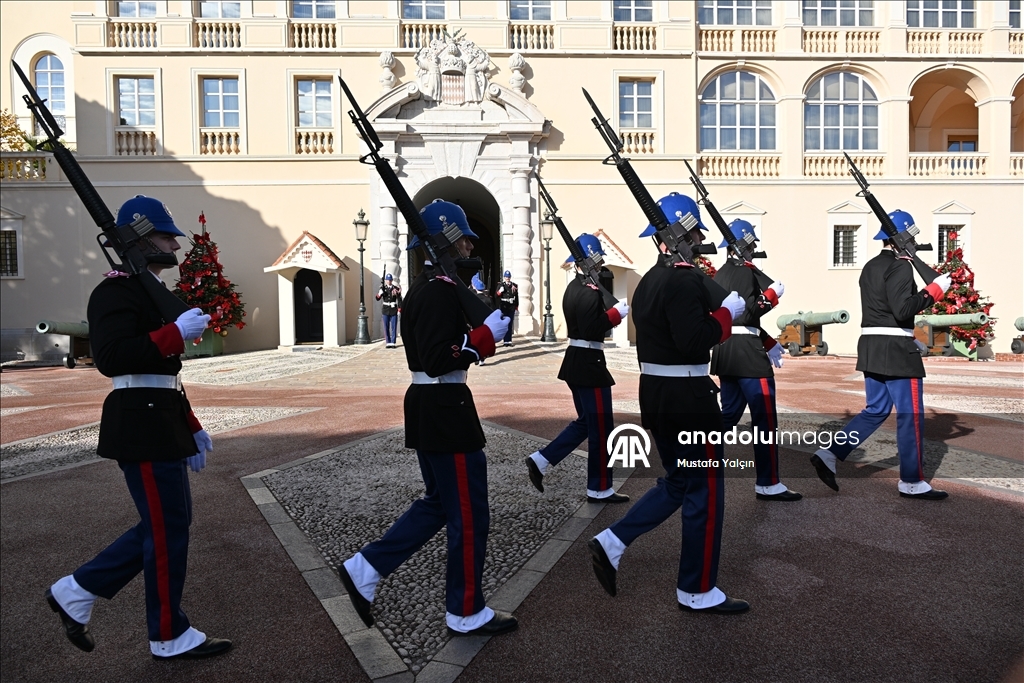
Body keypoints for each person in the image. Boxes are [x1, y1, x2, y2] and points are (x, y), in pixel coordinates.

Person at [45, 195, 232, 660]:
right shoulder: (115, 292)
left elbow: (165, 376)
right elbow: (111, 359)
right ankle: (167, 634)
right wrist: (174, 334)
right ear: (141, 239)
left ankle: (77, 590)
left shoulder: (146, 289)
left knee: (169, 524)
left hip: (160, 418)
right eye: (166, 237)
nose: (175, 245)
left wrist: (191, 425)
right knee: (166, 529)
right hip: (140, 422)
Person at [340, 200, 519, 637]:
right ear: (449, 242)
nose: (470, 246)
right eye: (464, 240)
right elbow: (440, 358)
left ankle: (366, 567)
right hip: (445, 408)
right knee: (469, 514)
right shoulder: (438, 290)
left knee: (439, 502)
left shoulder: (429, 285)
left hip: (433, 404)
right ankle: (465, 610)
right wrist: (482, 339)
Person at [587, 192, 751, 614]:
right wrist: (727, 316)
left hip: (658, 395)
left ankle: (613, 540)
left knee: (678, 482)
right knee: (705, 492)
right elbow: (694, 340)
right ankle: (697, 589)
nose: (699, 241)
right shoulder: (682, 280)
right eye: (695, 235)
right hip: (688, 400)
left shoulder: (649, 281)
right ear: (679, 238)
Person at [810, 210, 952, 500]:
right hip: (897, 352)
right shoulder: (901, 267)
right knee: (910, 416)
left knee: (875, 410)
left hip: (872, 346)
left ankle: (831, 453)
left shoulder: (871, 266)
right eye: (912, 237)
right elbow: (902, 309)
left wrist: (910, 334)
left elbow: (883, 310)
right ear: (904, 238)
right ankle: (912, 481)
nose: (915, 242)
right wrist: (933, 291)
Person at [525, 234, 630, 503]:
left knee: (587, 422)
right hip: (589, 365)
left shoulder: (575, 287)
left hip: (579, 361)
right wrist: (615, 315)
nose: (601, 265)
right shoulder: (587, 292)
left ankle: (541, 460)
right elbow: (591, 328)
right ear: (590, 261)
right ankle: (600, 488)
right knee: (601, 429)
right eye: (598, 261)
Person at [711, 219, 801, 502]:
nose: (752, 251)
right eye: (750, 245)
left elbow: (737, 321)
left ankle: (695, 463)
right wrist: (771, 297)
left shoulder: (720, 274)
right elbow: (748, 314)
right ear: (743, 246)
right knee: (765, 420)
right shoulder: (745, 272)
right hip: (748, 356)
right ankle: (768, 483)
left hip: (726, 352)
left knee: (728, 415)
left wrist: (768, 341)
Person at [376, 273, 403, 348]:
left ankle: (393, 342)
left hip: (393, 309)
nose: (389, 281)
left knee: (394, 327)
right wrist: (379, 293)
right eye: (387, 280)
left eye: (390, 280)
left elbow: (399, 299)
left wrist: (399, 310)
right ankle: (388, 342)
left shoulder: (396, 289)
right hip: (385, 309)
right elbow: (377, 298)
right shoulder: (383, 288)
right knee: (386, 326)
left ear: (392, 280)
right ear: (385, 280)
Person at [494, 270, 519, 347]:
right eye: (506, 277)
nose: (507, 278)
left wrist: (516, 306)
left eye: (508, 277)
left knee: (510, 324)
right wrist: (500, 291)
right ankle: (505, 341)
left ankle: (509, 341)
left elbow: (516, 296)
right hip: (504, 306)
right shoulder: (501, 285)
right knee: (505, 323)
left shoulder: (514, 285)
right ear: (504, 277)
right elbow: (496, 296)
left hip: (511, 306)